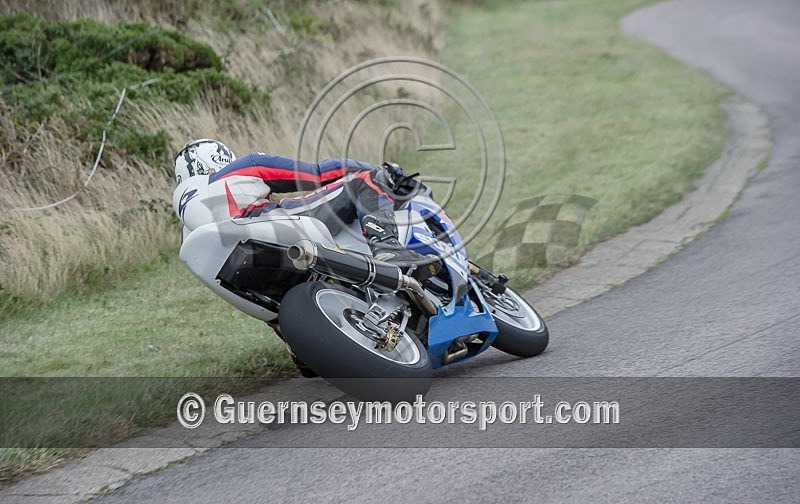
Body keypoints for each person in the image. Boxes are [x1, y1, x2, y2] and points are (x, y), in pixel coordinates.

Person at [173, 138, 440, 279]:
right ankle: (388, 250)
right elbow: (315, 174)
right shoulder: (242, 167)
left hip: (241, 267)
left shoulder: (189, 235)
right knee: (363, 182)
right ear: (221, 158)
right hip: (269, 223)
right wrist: (378, 172)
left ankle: (298, 349)